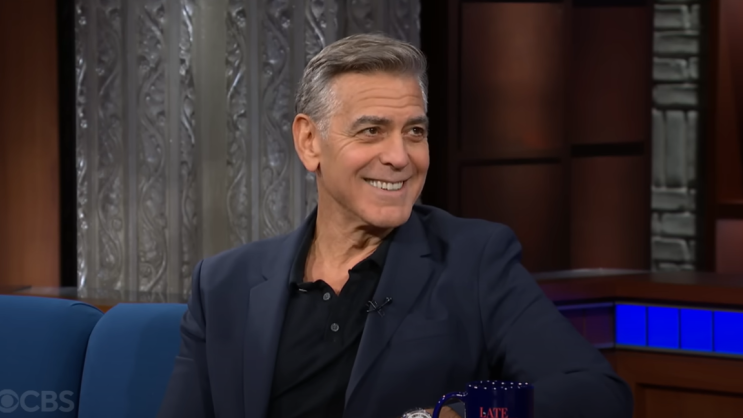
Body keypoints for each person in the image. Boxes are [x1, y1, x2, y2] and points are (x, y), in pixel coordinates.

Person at [157, 33, 633, 418]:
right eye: (372, 131)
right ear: (309, 142)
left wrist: (460, 415)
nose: (400, 157)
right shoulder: (224, 284)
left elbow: (596, 395)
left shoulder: (474, 261)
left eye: (415, 132)